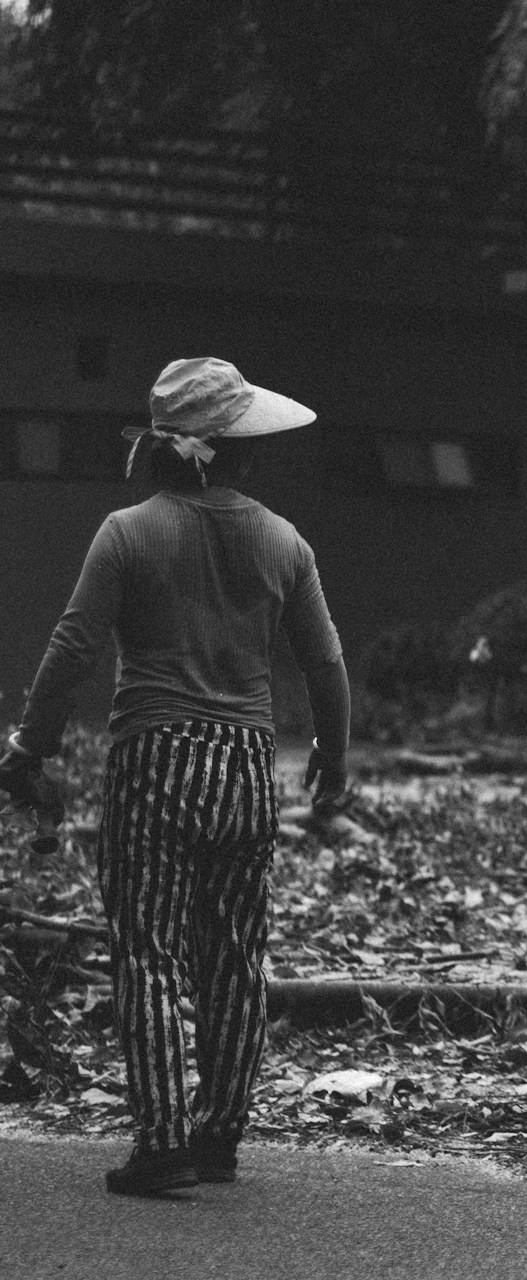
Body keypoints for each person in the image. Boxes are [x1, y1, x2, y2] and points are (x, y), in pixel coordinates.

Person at [0, 358, 351, 1195]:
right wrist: (333, 763)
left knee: (149, 952)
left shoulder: (129, 531)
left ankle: (161, 1143)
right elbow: (326, 662)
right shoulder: (283, 540)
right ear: (239, 452)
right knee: (234, 956)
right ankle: (219, 1136)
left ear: (167, 450)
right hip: (245, 765)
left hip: (155, 757)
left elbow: (74, 649)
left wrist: (28, 749)